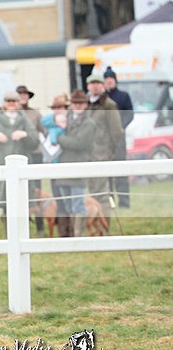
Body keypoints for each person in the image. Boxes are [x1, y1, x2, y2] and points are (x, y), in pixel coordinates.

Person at [0, 91, 40, 224]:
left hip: (21, 162)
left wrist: (24, 134)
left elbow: (35, 141)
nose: (11, 104)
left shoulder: (24, 120)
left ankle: (25, 228)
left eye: (14, 101)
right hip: (1, 162)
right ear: (4, 104)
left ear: (19, 103)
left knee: (21, 196)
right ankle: (8, 229)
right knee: (5, 197)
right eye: (9, 101)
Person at [56, 91, 97, 237]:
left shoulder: (89, 124)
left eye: (81, 103)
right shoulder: (65, 119)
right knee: (67, 203)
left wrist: (59, 139)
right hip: (63, 166)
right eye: (75, 103)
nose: (78, 106)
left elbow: (80, 143)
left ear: (85, 105)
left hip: (78, 166)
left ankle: (79, 233)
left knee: (78, 203)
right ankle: (73, 232)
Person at [85, 72, 124, 226]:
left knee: (103, 193)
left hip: (102, 154)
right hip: (87, 156)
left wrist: (110, 152)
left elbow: (116, 132)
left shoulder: (109, 105)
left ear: (102, 86)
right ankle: (95, 225)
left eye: (98, 83)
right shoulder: (84, 104)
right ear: (88, 86)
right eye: (92, 83)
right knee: (92, 192)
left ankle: (105, 225)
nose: (95, 86)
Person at [16, 85, 45, 237]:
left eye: (25, 94)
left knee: (36, 190)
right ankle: (23, 225)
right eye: (20, 94)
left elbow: (44, 130)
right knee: (19, 192)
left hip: (35, 154)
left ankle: (40, 225)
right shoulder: (12, 114)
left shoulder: (35, 114)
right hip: (18, 155)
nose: (23, 97)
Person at [103, 67, 134, 208]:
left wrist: (120, 127)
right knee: (106, 173)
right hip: (104, 141)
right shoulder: (102, 98)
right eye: (107, 79)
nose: (109, 82)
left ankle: (124, 202)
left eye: (111, 79)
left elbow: (129, 114)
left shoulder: (123, 96)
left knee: (121, 171)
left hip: (119, 139)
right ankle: (109, 201)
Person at [41, 94, 71, 235]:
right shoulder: (51, 120)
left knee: (70, 200)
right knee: (59, 199)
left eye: (61, 107)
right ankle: (62, 231)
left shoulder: (71, 120)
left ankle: (73, 230)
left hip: (68, 163)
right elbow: (44, 121)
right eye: (56, 108)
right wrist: (56, 118)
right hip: (55, 165)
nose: (58, 110)